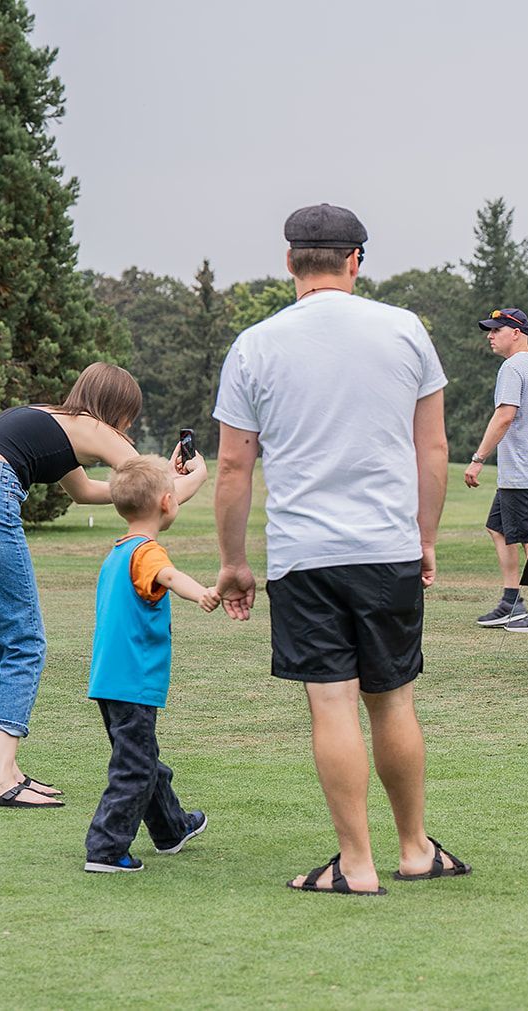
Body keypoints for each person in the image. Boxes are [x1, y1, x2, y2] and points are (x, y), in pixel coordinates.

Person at [213, 203, 469, 895]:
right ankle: (414, 848)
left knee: (332, 705)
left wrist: (234, 561)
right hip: (386, 545)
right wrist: (424, 536)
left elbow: (234, 468)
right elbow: (434, 448)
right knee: (393, 701)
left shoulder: (255, 344)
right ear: (356, 259)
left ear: (290, 260)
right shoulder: (406, 330)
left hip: (304, 552)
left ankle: (355, 864)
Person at [0, 362, 186, 810]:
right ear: (118, 409)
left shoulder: (51, 421)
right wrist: (192, 476)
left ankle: (4, 770)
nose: (128, 427)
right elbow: (151, 491)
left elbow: (86, 491)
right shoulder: (92, 425)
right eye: (129, 416)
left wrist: (167, 475)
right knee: (24, 641)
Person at [84, 455, 217, 872]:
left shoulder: (119, 552)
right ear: (166, 503)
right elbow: (171, 577)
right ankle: (106, 848)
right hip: (133, 680)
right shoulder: (148, 553)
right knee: (135, 766)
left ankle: (171, 828)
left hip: (110, 679)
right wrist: (203, 594)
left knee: (142, 756)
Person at [463, 307, 528, 633]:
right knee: (499, 528)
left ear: (516, 333)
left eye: (496, 330)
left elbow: (505, 415)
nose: (490, 336)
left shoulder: (513, 367)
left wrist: (478, 458)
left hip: (521, 470)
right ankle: (511, 602)